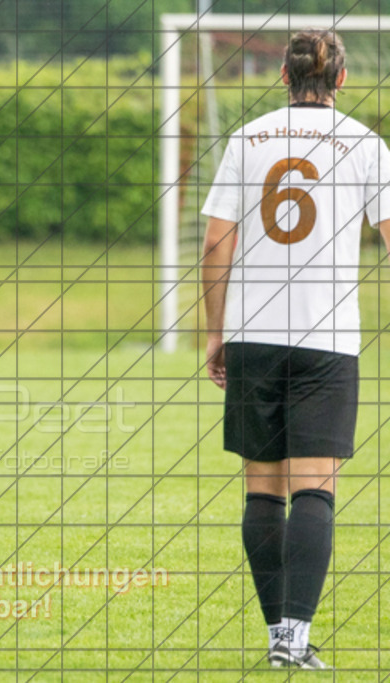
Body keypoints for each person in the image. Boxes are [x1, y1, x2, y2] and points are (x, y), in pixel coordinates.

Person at [201, 30, 390, 670]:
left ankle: (278, 635)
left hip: (252, 334)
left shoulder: (247, 139)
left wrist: (214, 331)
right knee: (316, 491)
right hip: (326, 340)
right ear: (340, 80)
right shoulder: (367, 145)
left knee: (262, 491)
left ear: (282, 75)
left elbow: (214, 245)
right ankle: (295, 638)